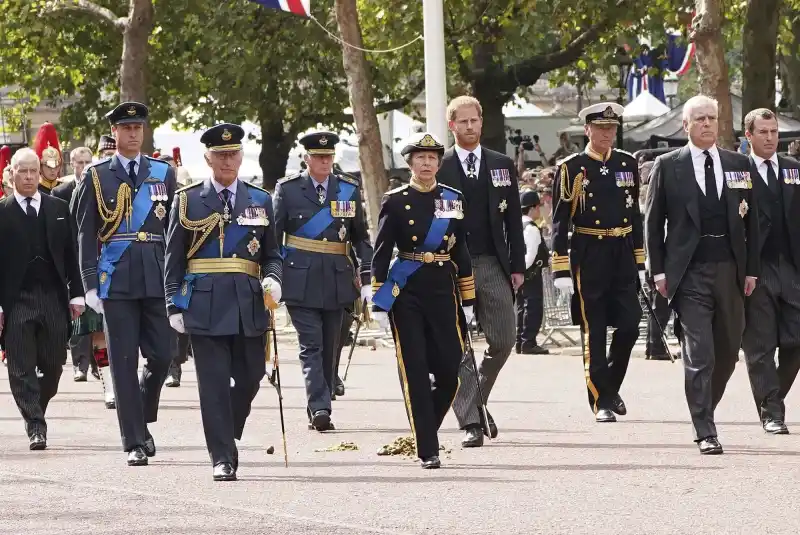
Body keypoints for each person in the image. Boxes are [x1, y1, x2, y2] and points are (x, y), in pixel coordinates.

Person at [165, 123, 281, 481]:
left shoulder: (259, 199)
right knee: (213, 385)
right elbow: (174, 257)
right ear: (208, 159)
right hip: (205, 303)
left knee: (252, 376)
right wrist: (173, 303)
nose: (227, 161)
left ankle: (226, 428)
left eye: (232, 154)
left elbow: (272, 254)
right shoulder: (187, 200)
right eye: (220, 155)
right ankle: (222, 456)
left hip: (248, 303)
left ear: (241, 157)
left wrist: (274, 278)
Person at [646, 95, 759, 454]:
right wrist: (657, 271)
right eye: (700, 119)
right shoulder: (668, 165)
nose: (707, 123)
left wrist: (752, 270)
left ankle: (704, 407)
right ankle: (705, 430)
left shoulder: (739, 163)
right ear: (686, 126)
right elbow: (653, 223)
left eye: (712, 117)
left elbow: (753, 223)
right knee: (700, 352)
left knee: (728, 351)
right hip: (689, 272)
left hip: (730, 269)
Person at [74, 102, 178, 466]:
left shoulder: (163, 173)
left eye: (138, 128)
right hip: (115, 279)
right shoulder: (96, 175)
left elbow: (174, 230)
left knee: (163, 355)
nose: (133, 134)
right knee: (122, 362)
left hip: (156, 275)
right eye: (126, 128)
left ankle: (141, 415)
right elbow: (85, 233)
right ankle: (133, 440)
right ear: (114, 132)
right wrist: (89, 284)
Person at [371, 132, 475, 469]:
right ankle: (428, 448)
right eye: (420, 158)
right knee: (415, 370)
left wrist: (469, 297)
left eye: (432, 158)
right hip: (407, 291)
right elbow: (382, 251)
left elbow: (461, 249)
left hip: (443, 288)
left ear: (439, 163)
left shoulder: (453, 199)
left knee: (449, 370)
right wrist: (379, 300)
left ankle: (424, 427)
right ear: (410, 163)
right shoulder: (395, 200)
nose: (427, 163)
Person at [437, 95, 525, 448]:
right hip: (451, 265)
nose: (470, 126)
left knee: (504, 339)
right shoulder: (438, 165)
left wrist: (518, 266)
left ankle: (475, 400)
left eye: (474, 120)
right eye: (463, 121)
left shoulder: (501, 164)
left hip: (491, 262)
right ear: (452, 125)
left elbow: (514, 220)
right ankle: (471, 421)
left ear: (481, 122)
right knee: (458, 344)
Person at [273, 131, 373, 432]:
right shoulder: (288, 190)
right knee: (311, 345)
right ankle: (320, 407)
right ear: (307, 158)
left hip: (337, 279)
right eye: (318, 157)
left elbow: (360, 238)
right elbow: (273, 239)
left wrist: (366, 277)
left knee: (331, 346)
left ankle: (321, 398)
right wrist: (272, 276)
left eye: (328, 156)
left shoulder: (348, 190)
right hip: (299, 279)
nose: (324, 161)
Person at [551, 102, 645, 423]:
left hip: (622, 251)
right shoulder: (572, 168)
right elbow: (559, 221)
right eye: (601, 128)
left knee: (630, 324)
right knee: (595, 328)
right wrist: (561, 268)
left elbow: (635, 215)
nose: (607, 134)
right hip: (589, 252)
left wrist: (640, 260)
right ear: (587, 130)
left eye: (611, 128)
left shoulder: (627, 163)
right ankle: (600, 399)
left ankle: (610, 386)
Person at [0, 148, 85, 449]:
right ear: (11, 174)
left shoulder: (58, 207)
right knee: (20, 367)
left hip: (53, 296)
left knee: (54, 365)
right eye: (22, 171)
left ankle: (36, 406)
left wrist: (78, 295)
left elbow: (72, 254)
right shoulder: (2, 211)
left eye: (33, 171)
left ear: (40, 173)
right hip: (16, 299)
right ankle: (35, 424)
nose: (28, 177)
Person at [741, 108, 800, 435]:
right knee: (761, 345)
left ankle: (770, 397)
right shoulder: (738, 170)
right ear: (748, 135)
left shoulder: (793, 169)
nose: (770, 138)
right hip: (756, 269)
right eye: (763, 132)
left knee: (796, 341)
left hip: (791, 266)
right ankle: (772, 412)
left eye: (774, 132)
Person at [52, 147, 99, 382]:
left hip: (95, 259)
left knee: (98, 316)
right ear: (72, 165)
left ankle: (99, 364)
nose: (83, 166)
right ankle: (80, 364)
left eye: (87, 161)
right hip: (72, 259)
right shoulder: (60, 192)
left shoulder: (101, 187)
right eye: (79, 162)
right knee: (78, 312)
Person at [157, 151, 191, 387]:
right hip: (157, 260)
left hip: (180, 263)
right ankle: (168, 364)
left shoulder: (186, 196)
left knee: (179, 313)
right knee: (162, 317)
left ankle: (176, 363)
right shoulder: (151, 195)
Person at [516, 190, 549, 355]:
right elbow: (530, 256)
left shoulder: (517, 226)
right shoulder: (531, 229)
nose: (539, 210)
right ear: (532, 208)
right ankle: (528, 342)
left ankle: (520, 342)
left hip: (520, 275)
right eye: (538, 207)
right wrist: (523, 270)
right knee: (533, 307)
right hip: (531, 274)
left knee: (521, 307)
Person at [32, 123, 63, 195]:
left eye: (56, 166)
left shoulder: (65, 188)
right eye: (48, 166)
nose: (53, 170)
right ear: (40, 167)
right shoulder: (34, 190)